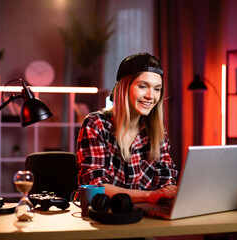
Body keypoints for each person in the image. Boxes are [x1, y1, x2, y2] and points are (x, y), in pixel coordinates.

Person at [76, 52, 178, 204]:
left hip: (145, 218)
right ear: (125, 87)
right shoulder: (96, 124)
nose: (151, 96)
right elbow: (95, 186)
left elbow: (166, 182)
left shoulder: (157, 132)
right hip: (102, 218)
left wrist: (169, 193)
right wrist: (149, 196)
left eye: (157, 89)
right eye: (143, 86)